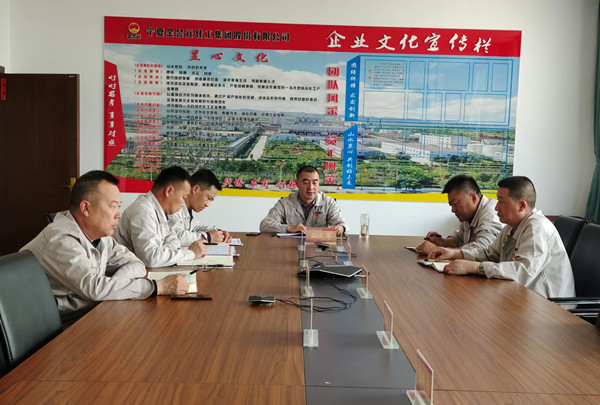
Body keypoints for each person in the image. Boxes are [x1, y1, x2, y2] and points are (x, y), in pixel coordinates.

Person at [20, 170, 189, 326]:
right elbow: (95, 288)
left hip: (88, 315)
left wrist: (112, 286)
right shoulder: (61, 240)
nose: (119, 214)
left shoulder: (101, 236)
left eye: (119, 206)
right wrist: (156, 287)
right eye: (112, 206)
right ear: (86, 208)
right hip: (54, 328)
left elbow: (136, 263)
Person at [428, 176, 575, 298]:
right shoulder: (511, 226)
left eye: (501, 201)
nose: (496, 207)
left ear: (522, 206)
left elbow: (522, 272)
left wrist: (476, 267)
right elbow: (490, 253)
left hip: (549, 306)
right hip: (522, 296)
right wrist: (454, 253)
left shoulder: (537, 228)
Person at [114, 166, 207, 267]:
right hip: (121, 272)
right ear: (169, 191)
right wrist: (191, 254)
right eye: (183, 197)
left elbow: (174, 240)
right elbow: (151, 258)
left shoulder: (159, 211)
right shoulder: (143, 211)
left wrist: (162, 252)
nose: (183, 204)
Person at [416, 175, 503, 255]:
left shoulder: (491, 214)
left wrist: (439, 250)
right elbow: (460, 238)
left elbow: (482, 249)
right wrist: (443, 242)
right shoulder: (468, 214)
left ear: (473, 198)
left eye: (455, 204)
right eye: (451, 205)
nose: (453, 210)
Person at [259, 165, 347, 235]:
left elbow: (342, 224)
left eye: (314, 182)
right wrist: (289, 228)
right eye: (306, 182)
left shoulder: (328, 202)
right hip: (290, 247)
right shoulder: (285, 203)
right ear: (297, 183)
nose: (311, 187)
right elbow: (264, 225)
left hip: (319, 246)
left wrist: (340, 228)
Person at [168, 168, 232, 245]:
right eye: (208, 198)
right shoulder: (174, 207)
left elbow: (195, 228)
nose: (207, 204)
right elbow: (175, 236)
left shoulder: (188, 210)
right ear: (196, 189)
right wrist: (208, 237)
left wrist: (218, 232)